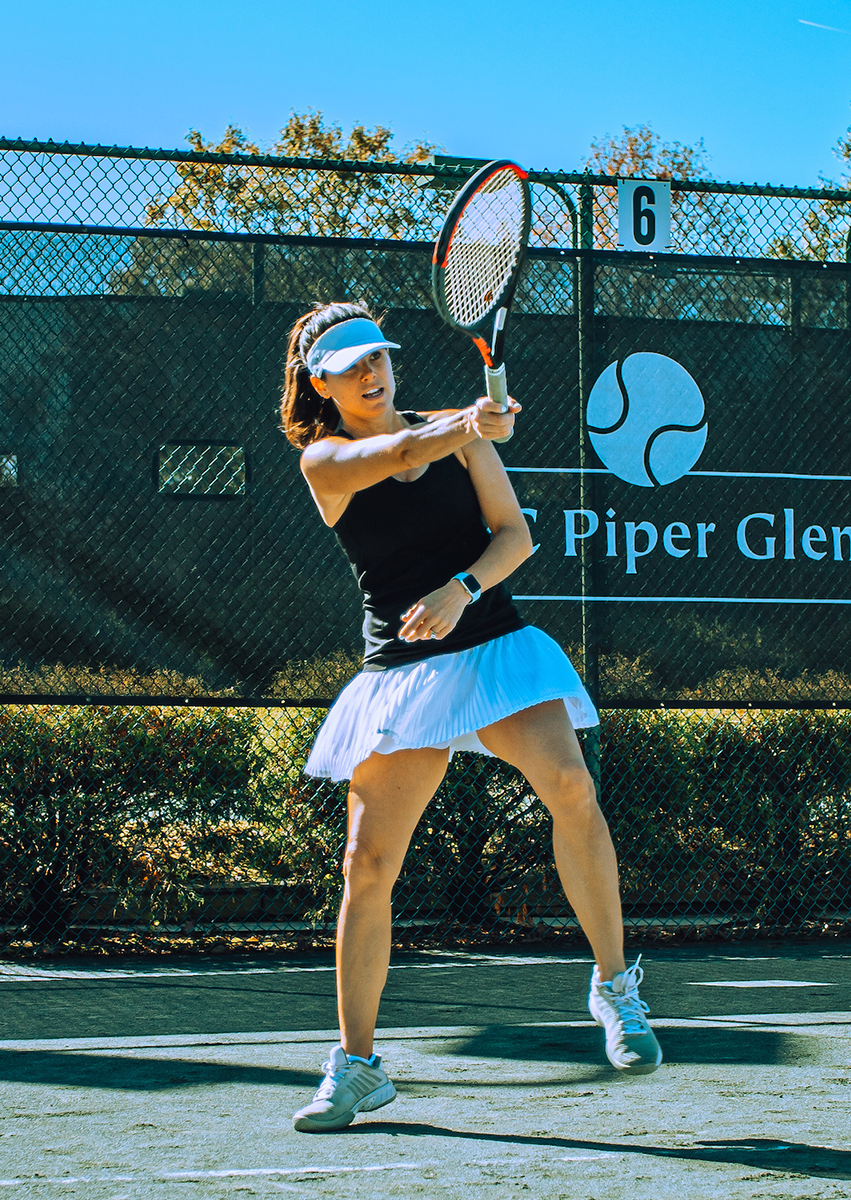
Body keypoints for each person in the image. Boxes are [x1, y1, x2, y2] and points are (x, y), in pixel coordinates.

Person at [278, 301, 660, 1133]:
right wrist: (468, 424)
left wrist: (464, 587)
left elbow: (514, 535)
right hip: (402, 671)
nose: (372, 375)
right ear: (322, 384)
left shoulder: (460, 431)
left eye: (378, 358)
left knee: (570, 784)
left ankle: (614, 989)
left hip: (490, 642)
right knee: (366, 866)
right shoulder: (326, 459)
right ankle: (359, 1068)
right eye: (349, 368)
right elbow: (403, 452)